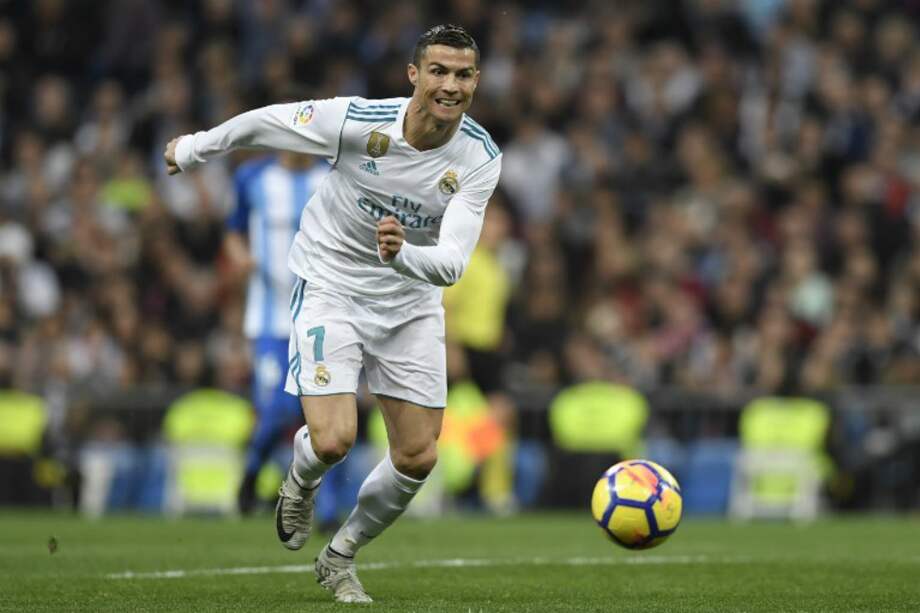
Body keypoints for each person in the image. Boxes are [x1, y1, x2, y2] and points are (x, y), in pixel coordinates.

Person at [164, 24, 501, 604]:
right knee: (333, 440)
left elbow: (450, 264)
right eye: (439, 71)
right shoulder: (357, 122)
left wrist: (402, 254)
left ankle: (340, 556)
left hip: (410, 303)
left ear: (476, 81)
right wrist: (196, 147)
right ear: (413, 75)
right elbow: (268, 122)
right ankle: (299, 483)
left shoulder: (479, 157)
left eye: (463, 74)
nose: (451, 85)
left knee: (418, 456)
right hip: (332, 285)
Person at [224, 149, 329, 515]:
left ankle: (325, 510)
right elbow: (233, 231)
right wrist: (240, 257)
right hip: (269, 321)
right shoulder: (253, 178)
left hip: (320, 317)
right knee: (277, 409)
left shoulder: (332, 177)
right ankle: (253, 471)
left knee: (322, 415)